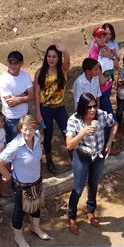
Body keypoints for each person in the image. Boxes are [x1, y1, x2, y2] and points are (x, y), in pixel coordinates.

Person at [65, 93, 118, 235]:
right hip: (82, 157)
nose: (93, 110)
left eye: (94, 106)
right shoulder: (74, 120)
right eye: (89, 107)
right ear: (82, 108)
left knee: (93, 185)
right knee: (78, 189)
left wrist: (109, 142)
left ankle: (90, 212)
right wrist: (82, 132)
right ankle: (72, 217)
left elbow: (114, 124)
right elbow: (69, 145)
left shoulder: (101, 115)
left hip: (98, 157)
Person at [0, 115, 50, 247]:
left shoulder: (37, 137)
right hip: (21, 187)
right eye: (25, 129)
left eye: (31, 129)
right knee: (19, 211)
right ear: (20, 129)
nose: (28, 132)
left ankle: (35, 227)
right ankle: (18, 237)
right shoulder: (15, 146)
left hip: (36, 182)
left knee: (36, 206)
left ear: (35, 129)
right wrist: (8, 176)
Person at [33, 40, 71, 174]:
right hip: (45, 109)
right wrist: (38, 113)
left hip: (60, 108)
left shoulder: (62, 70)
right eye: (49, 56)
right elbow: (36, 94)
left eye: (54, 56)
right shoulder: (40, 72)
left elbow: (67, 62)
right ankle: (49, 160)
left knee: (68, 132)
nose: (51, 59)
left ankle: (74, 157)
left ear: (58, 58)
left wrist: (64, 50)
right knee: (47, 136)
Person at [89, 27, 119, 144]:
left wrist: (112, 56)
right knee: (110, 119)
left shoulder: (106, 47)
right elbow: (100, 80)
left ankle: (105, 143)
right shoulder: (94, 55)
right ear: (94, 39)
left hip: (107, 88)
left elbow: (117, 65)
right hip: (100, 92)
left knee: (103, 118)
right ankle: (106, 144)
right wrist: (111, 73)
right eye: (99, 37)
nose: (102, 40)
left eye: (103, 37)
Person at [0, 51, 34, 143]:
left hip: (25, 115)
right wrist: (25, 93)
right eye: (10, 63)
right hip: (11, 119)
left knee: (28, 140)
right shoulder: (3, 80)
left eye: (16, 63)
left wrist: (18, 98)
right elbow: (11, 103)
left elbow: (32, 96)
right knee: (14, 144)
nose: (12, 66)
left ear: (22, 63)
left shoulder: (25, 75)